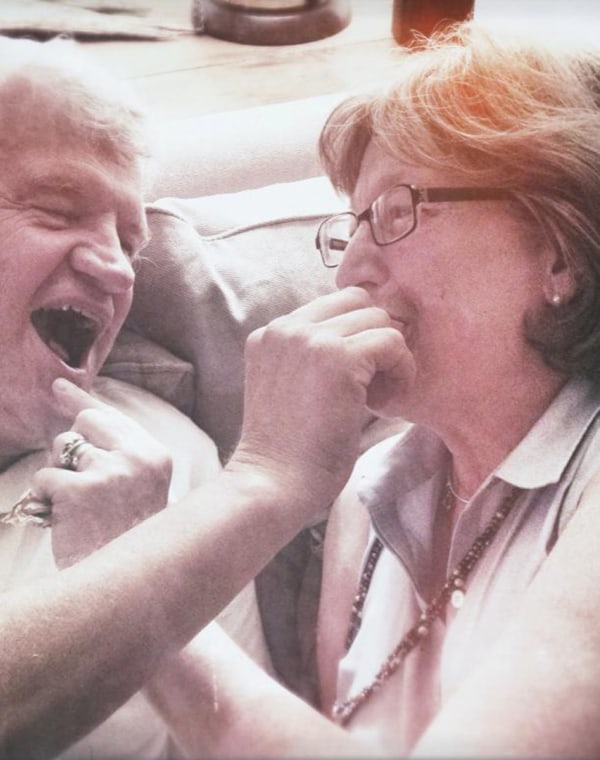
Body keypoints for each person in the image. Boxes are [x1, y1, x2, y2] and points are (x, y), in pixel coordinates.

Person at [0, 33, 335, 758]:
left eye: (129, 240)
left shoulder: (171, 461)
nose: (114, 269)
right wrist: (185, 547)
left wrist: (156, 539)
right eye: (59, 210)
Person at [140, 22, 600, 758]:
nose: (351, 266)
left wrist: (138, 599)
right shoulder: (367, 494)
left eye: (397, 212)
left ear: (559, 254)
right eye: (351, 223)